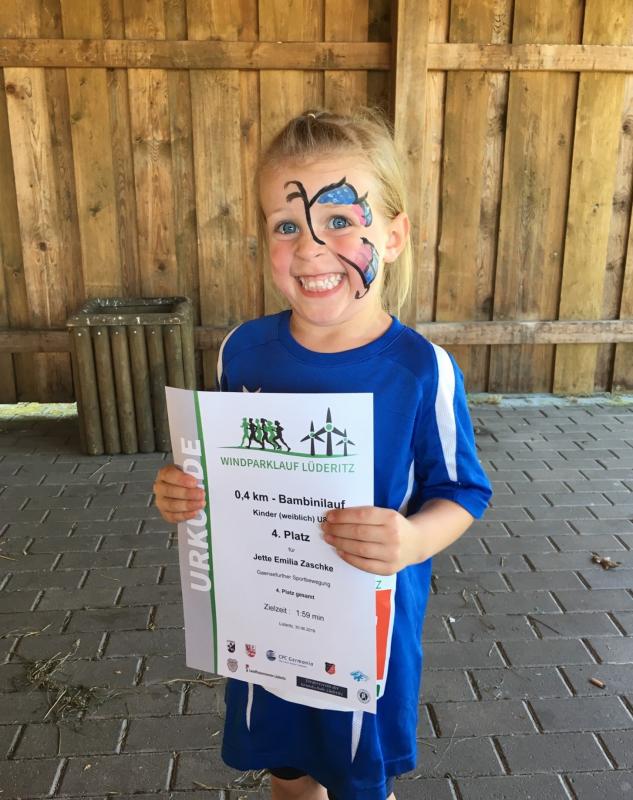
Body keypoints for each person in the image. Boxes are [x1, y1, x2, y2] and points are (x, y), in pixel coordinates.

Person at [153, 108, 492, 800]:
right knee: (288, 775)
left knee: (358, 783)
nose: (309, 248)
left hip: (366, 646)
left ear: (392, 235)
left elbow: (462, 491)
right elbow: (217, 473)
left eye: (339, 220)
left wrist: (412, 540)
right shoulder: (242, 351)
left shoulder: (420, 371)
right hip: (267, 632)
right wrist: (182, 493)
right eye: (286, 226)